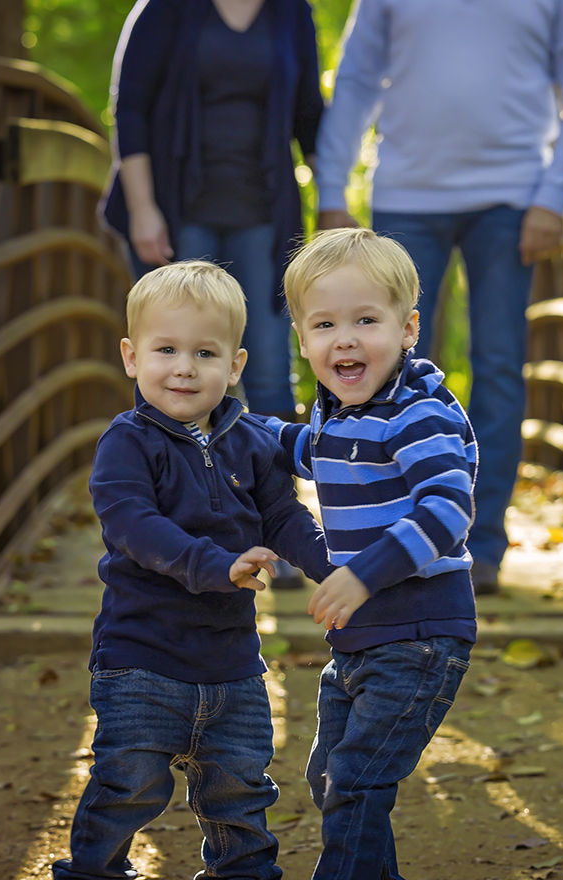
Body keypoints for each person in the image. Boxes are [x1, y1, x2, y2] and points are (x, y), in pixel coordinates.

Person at [313, 0, 563, 595]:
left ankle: (479, 546)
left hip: (512, 201)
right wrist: (329, 191)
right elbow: (353, 82)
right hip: (407, 197)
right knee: (388, 373)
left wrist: (553, 191)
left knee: (500, 369)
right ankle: (389, 539)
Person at [51, 261, 335, 880]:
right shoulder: (126, 442)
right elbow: (134, 527)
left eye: (205, 352)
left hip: (231, 662)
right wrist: (216, 564)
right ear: (131, 357)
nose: (184, 366)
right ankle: (95, 872)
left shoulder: (252, 441)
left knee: (240, 791)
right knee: (128, 784)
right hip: (142, 657)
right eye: (166, 349)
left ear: (234, 366)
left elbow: (283, 516)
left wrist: (334, 568)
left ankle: (243, 873)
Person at [263, 229, 477, 880]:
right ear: (303, 341)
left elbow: (447, 508)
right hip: (360, 642)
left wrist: (363, 573)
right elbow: (305, 450)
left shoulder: (418, 414)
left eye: (365, 320)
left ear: (408, 329)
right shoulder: (338, 414)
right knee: (333, 778)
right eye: (324, 324)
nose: (345, 338)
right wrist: (237, 427)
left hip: (420, 635)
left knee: (356, 779)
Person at [101, 0, 321, 422]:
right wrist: (144, 208)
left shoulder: (291, 10)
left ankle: (274, 505)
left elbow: (310, 118)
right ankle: (169, 502)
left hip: (263, 216)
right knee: (176, 370)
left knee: (268, 365)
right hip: (177, 213)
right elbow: (130, 106)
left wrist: (337, 208)